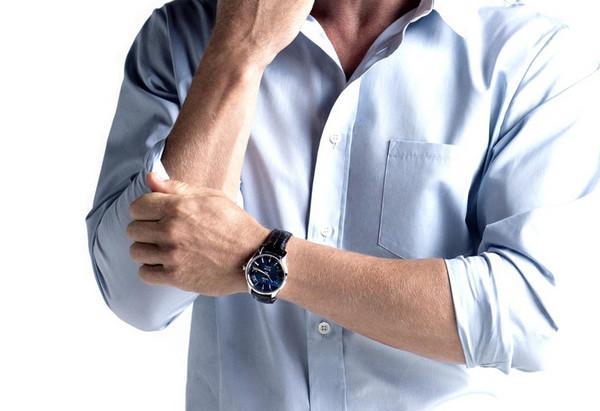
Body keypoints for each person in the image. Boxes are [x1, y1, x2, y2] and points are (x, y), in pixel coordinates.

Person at [84, 0, 600, 409]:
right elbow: (139, 298)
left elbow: (534, 314)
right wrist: (239, 52)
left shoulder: (530, 56)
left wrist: (260, 257)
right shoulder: (184, 37)